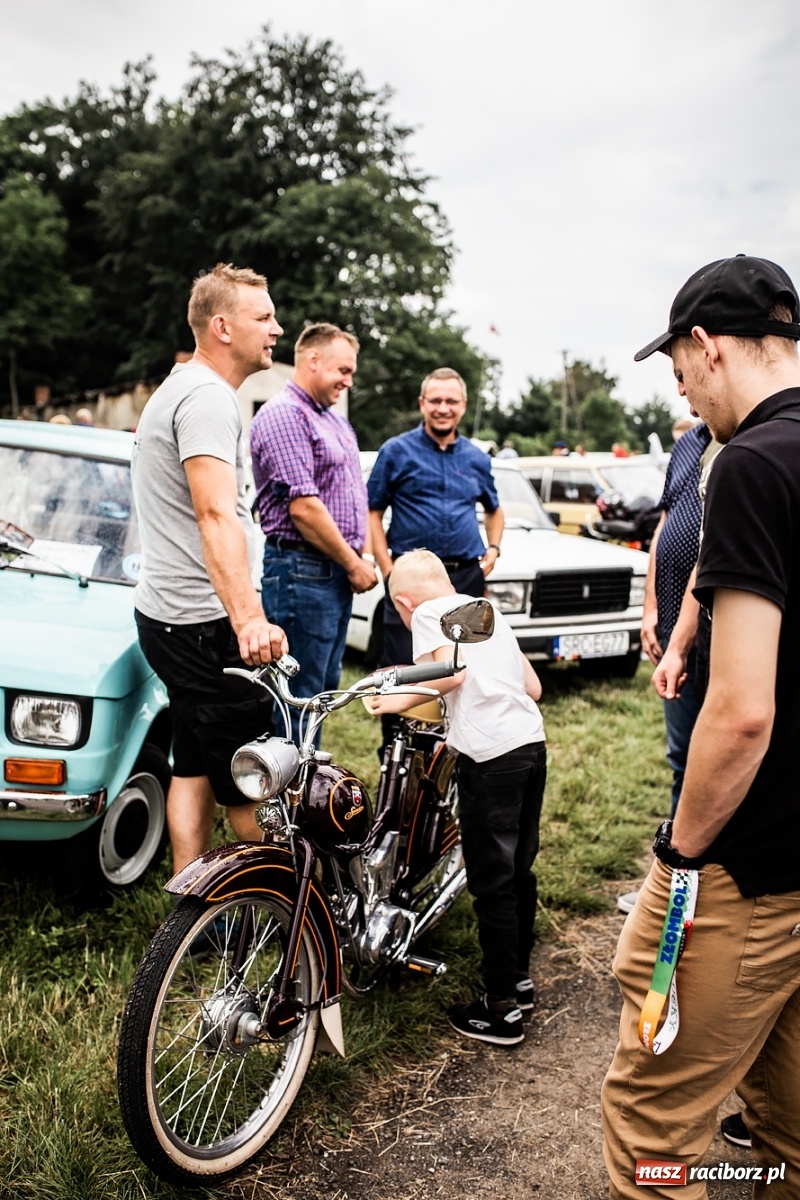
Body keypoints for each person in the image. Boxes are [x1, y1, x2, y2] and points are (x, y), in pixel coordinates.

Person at [601, 254, 800, 1200]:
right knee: (785, 1128)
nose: (688, 396)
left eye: (682, 375)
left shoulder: (756, 464)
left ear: (708, 347)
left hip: (749, 864)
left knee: (650, 1128)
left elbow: (743, 707)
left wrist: (677, 861)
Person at [132, 263, 287, 874]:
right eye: (264, 317)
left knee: (192, 762)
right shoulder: (205, 400)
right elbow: (215, 514)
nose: (277, 329)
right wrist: (249, 620)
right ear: (222, 327)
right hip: (204, 628)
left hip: (170, 620)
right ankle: (278, 917)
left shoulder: (183, 388)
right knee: (253, 781)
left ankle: (190, 903)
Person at [370, 549, 546, 1044]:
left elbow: (448, 676)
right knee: (518, 871)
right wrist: (460, 721)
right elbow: (530, 686)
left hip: (489, 763)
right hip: (529, 747)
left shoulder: (427, 613)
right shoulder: (487, 611)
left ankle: (501, 1009)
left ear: (403, 604)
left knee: (490, 881)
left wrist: (393, 701)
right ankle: (520, 980)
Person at [249, 323, 377, 742]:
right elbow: (303, 507)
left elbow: (353, 495)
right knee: (297, 702)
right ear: (312, 360)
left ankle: (306, 789)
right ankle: (282, 801)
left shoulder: (332, 420)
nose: (349, 381)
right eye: (343, 370)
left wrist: (362, 556)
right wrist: (353, 562)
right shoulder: (286, 415)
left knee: (322, 689)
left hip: (328, 574)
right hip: (302, 571)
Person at [367, 367, 504, 667]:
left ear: (463, 405)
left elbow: (494, 510)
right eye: (435, 400)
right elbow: (372, 511)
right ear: (422, 403)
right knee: (405, 662)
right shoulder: (395, 451)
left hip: (465, 576)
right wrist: (387, 568)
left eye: (451, 401)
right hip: (411, 578)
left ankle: (456, 717)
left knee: (466, 661)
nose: (443, 408)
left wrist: (493, 550)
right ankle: (401, 716)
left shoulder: (477, 458)